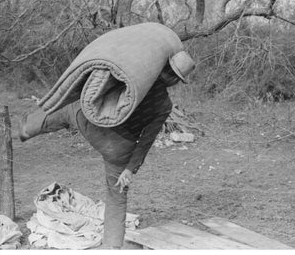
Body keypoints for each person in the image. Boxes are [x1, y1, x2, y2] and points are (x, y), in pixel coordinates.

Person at [19, 54, 195, 249]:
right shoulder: (165, 105)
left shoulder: (134, 76)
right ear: (175, 80)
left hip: (96, 128)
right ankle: (112, 247)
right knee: (117, 196)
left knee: (68, 109)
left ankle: (28, 129)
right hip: (121, 149)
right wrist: (130, 169)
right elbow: (146, 140)